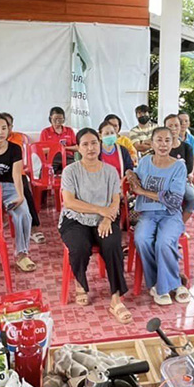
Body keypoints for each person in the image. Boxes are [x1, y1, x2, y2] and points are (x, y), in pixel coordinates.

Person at [59, 128, 132, 324]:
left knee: (112, 244)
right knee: (79, 246)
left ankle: (116, 298)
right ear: (78, 148)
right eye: (85, 144)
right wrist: (101, 210)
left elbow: (116, 200)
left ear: (99, 145)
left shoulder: (110, 171)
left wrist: (108, 218)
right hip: (75, 218)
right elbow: (70, 202)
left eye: (94, 143)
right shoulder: (71, 171)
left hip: (104, 219)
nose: (90, 148)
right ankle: (80, 282)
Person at [126, 127, 191, 305]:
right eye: (159, 140)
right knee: (141, 238)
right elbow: (135, 181)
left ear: (173, 143)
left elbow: (175, 200)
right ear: (152, 143)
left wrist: (144, 191)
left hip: (170, 214)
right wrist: (131, 175)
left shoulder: (179, 166)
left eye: (167, 140)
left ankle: (162, 287)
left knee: (164, 242)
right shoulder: (145, 161)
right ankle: (171, 283)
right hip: (147, 212)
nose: (163, 144)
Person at [0, 111, 36, 273]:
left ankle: (22, 253)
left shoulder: (15, 149)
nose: (0, 132)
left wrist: (21, 195)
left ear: (9, 130)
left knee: (24, 214)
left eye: (4, 128)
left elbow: (17, 175)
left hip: (11, 188)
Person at [163, 113, 194, 223]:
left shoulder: (187, 147)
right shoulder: (161, 147)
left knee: (192, 196)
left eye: (176, 125)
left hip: (182, 182)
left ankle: (180, 224)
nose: (173, 129)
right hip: (163, 181)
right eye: (170, 126)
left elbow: (188, 168)